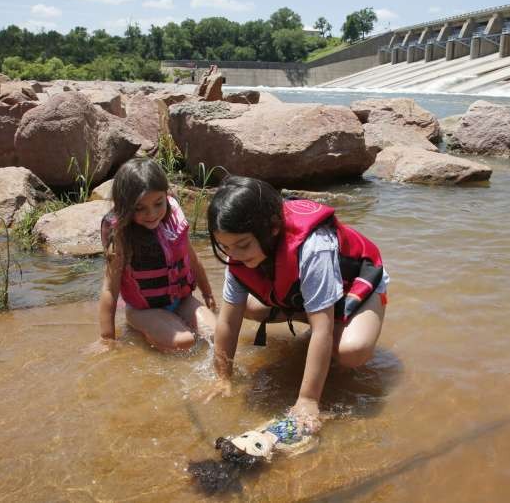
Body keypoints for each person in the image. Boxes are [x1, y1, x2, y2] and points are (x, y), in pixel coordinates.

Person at [205, 176, 389, 430]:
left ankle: (341, 326)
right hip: (305, 292)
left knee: (350, 352)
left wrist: (308, 399)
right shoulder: (237, 254)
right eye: (225, 246)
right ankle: (311, 316)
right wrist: (223, 376)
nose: (233, 255)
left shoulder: (314, 248)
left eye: (242, 245)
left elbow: (321, 328)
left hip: (355, 286)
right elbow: (227, 320)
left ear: (272, 228)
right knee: (244, 305)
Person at [97, 158, 217, 352]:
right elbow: (110, 289)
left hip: (181, 300)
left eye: (158, 203)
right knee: (184, 342)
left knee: (217, 335)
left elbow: (192, 259)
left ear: (166, 195)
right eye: (140, 208)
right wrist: (107, 338)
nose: (151, 214)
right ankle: (141, 326)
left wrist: (208, 294)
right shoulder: (120, 235)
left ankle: (169, 323)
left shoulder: (173, 216)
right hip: (144, 309)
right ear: (126, 207)